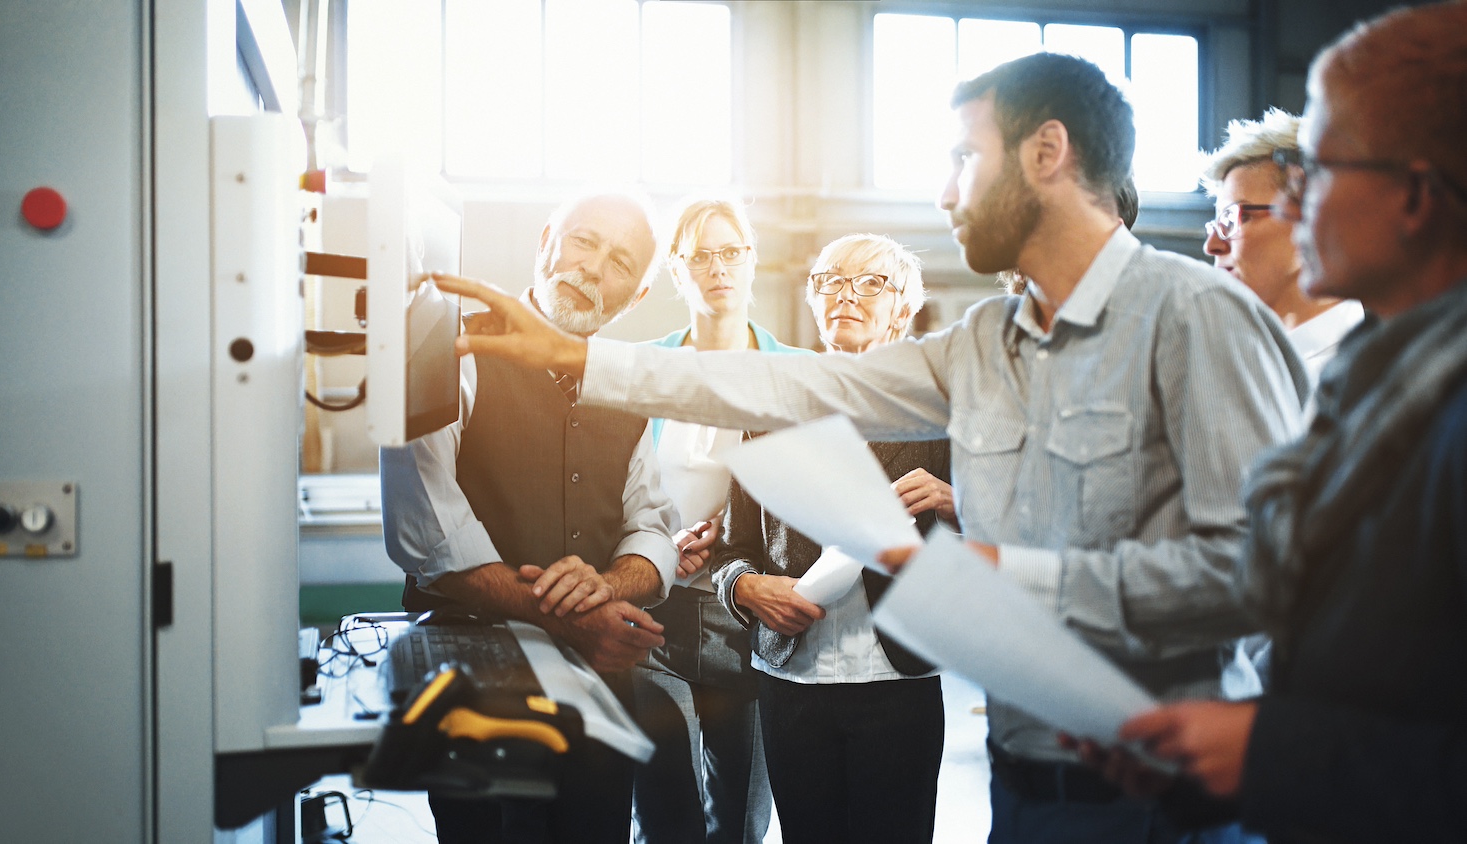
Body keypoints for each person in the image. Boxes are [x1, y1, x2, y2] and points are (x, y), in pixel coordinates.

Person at [431, 52, 1307, 843]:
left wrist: (1000, 572)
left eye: (964, 160)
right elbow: (800, 385)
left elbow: (1261, 575)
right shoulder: (988, 341)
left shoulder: (1198, 321)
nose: (944, 193)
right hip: (1028, 770)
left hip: (1161, 791)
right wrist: (580, 357)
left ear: (1048, 154)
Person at [1068, 5, 1467, 842]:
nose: (1292, 203)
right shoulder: (1374, 382)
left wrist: (1272, 753)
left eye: (1317, 172)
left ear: (1417, 197)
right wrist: (1210, 768)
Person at [379, 191, 682, 844]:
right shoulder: (447, 347)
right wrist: (574, 615)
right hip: (471, 687)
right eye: (584, 241)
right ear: (547, 238)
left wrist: (612, 584)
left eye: (621, 261)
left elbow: (651, 528)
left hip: (599, 690)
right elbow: (427, 534)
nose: (594, 267)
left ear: (639, 291)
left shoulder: (627, 388)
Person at [709, 233, 953, 844]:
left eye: (871, 282)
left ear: (903, 309)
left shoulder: (941, 411)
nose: (847, 295)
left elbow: (1010, 530)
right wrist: (747, 587)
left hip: (900, 682)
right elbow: (730, 549)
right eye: (832, 282)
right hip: (794, 686)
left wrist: (961, 503)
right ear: (814, 301)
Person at [631, 197, 804, 844]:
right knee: (664, 812)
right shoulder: (645, 370)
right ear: (678, 271)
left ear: (752, 261)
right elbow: (615, 492)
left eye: (731, 252)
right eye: (700, 255)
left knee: (739, 821)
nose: (718, 268)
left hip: (749, 618)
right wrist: (656, 545)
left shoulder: (798, 373)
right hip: (655, 611)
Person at [1200, 108, 1368, 713]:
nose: (1212, 241)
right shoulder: (1225, 368)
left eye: (1237, 216)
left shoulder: (1373, 387)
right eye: (1215, 217)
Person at [1201, 108, 1365, 394]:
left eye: (1232, 219)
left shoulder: (1369, 377)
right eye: (1215, 224)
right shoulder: (1225, 360)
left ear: (1310, 216)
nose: (1212, 244)